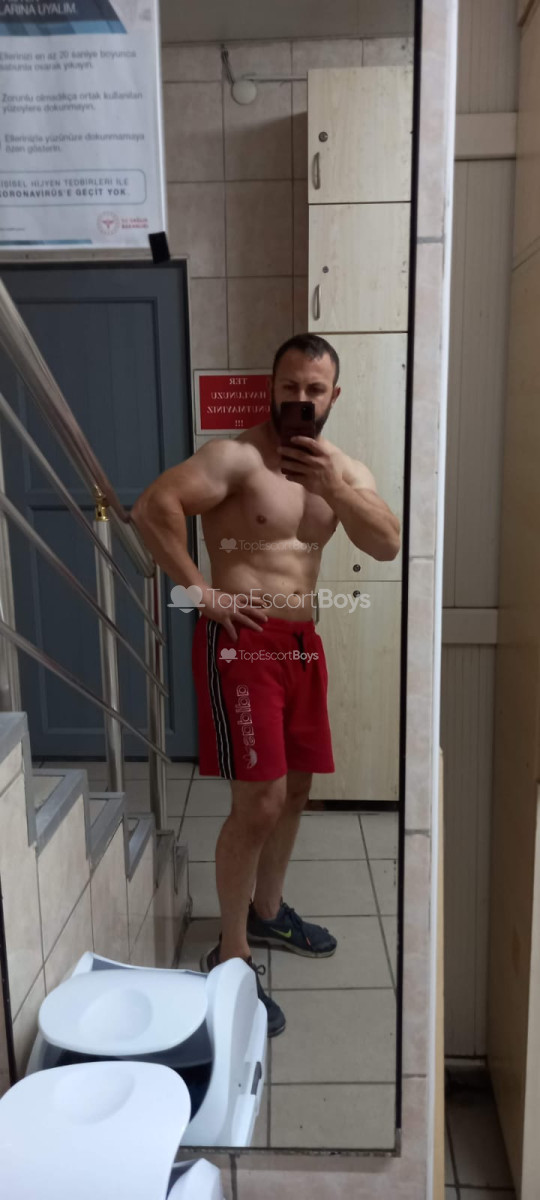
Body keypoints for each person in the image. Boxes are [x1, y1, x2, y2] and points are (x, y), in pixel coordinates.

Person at [132, 333, 400, 1036]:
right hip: (244, 643)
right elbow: (153, 507)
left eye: (314, 389)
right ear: (271, 387)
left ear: (333, 396)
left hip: (304, 646)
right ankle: (231, 952)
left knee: (299, 788)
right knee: (260, 802)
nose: (300, 400)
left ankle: (268, 912)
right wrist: (200, 592)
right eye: (289, 387)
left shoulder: (343, 471)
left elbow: (386, 542)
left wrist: (333, 487)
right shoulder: (237, 457)